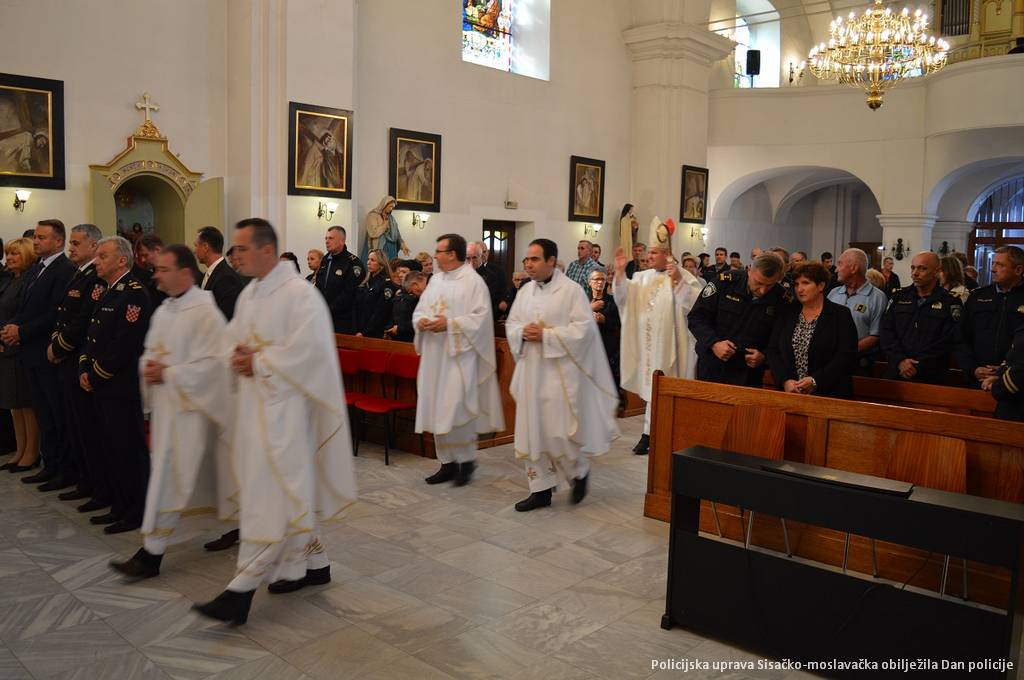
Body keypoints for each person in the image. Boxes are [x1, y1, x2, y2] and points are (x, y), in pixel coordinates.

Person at [193, 218, 357, 625]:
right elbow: (233, 340)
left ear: (266, 250)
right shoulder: (251, 294)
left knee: (275, 498)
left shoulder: (301, 296)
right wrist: (232, 355)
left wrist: (260, 362)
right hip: (256, 410)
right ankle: (314, 563)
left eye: (242, 249)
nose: (235, 256)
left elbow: (311, 354)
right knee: (280, 494)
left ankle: (240, 590)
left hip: (289, 415)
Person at [109, 245, 237, 579]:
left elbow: (216, 366)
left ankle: (150, 555)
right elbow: (150, 352)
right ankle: (237, 522)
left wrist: (170, 374)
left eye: (164, 269)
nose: (156, 275)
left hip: (195, 414)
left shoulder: (205, 313)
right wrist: (148, 368)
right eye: (157, 269)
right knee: (203, 479)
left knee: (173, 480)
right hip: (169, 411)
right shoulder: (165, 310)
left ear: (185, 273)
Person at [505, 239, 618, 511]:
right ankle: (540, 490)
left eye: (534, 259)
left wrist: (546, 335)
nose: (528, 264)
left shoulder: (571, 291)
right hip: (531, 370)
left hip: (560, 375)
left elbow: (584, 330)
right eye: (527, 259)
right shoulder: (525, 292)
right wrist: (521, 332)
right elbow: (512, 323)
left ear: (551, 261)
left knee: (558, 431)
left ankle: (578, 471)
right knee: (532, 430)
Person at [414, 234, 504, 486]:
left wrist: (450, 324)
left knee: (456, 409)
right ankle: (447, 463)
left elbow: (481, 319)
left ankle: (465, 461)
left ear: (452, 254)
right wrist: (420, 321)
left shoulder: (473, 282)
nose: (435, 256)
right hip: (435, 356)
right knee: (438, 407)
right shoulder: (435, 281)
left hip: (460, 357)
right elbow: (421, 309)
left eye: (439, 252)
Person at [79, 236, 154, 534]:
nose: (96, 261)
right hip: (101, 384)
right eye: (97, 256)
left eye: (103, 256)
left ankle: (136, 511)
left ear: (122, 260)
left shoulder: (134, 293)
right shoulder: (108, 290)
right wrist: (84, 367)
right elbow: (92, 335)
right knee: (110, 446)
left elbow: (125, 344)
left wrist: (96, 374)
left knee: (127, 450)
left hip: (119, 386)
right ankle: (119, 505)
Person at [613, 217, 703, 455]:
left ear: (667, 254)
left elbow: (696, 307)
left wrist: (678, 282)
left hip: (674, 345)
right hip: (650, 345)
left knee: (667, 389)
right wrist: (620, 274)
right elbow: (623, 300)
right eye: (649, 252)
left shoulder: (683, 276)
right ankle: (649, 433)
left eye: (653, 252)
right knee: (653, 387)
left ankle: (658, 434)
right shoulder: (642, 278)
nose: (649, 257)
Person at [1, 220, 76, 488]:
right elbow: (24, 307)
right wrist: (13, 327)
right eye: (35, 237)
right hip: (29, 351)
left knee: (55, 414)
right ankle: (49, 464)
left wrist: (21, 331)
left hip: (46, 351)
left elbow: (54, 312)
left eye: (42, 237)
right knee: (43, 413)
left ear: (58, 242)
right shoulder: (36, 269)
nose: (35, 241)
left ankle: (63, 470)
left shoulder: (64, 269)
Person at [48, 224, 105, 504]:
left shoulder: (95, 277)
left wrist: (59, 347)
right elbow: (62, 315)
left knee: (85, 427)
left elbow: (83, 320)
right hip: (66, 358)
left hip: (77, 358)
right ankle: (82, 478)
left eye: (75, 243)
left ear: (93, 245)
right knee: (72, 423)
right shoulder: (79, 273)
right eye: (70, 243)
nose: (71, 248)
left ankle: (92, 482)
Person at [689, 253, 791, 388]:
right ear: (749, 270)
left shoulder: (781, 298)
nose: (763, 291)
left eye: (770, 285)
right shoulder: (725, 282)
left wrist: (764, 356)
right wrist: (714, 343)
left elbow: (781, 338)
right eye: (759, 283)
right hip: (713, 365)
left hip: (748, 374)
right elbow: (697, 317)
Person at [768, 261, 859, 398]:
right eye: (796, 284)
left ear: (821, 285)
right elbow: (773, 350)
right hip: (791, 392)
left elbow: (847, 355)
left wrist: (816, 381)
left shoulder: (840, 314)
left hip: (830, 392)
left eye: (805, 283)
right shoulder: (787, 312)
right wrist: (785, 380)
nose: (799, 289)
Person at [879, 251, 963, 384]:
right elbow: (886, 331)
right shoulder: (899, 297)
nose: (915, 273)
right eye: (913, 268)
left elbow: (948, 338)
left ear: (937, 271)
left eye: (922, 268)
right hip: (897, 370)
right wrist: (900, 360)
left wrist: (918, 364)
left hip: (932, 374)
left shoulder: (950, 301)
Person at [955, 246, 1024, 389]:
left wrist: (1006, 370)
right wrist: (973, 368)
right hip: (976, 378)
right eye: (993, 263)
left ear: (1018, 270)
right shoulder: (977, 296)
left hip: (1014, 382)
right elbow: (960, 337)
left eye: (1000, 265)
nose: (993, 269)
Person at [0, 238, 39, 473]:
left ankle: (31, 452)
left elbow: (25, 313)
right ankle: (20, 450)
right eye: (8, 254)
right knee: (14, 404)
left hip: (20, 346)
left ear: (27, 255)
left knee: (26, 403)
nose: (10, 258)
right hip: (7, 346)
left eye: (15, 254)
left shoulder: (27, 281)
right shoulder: (11, 280)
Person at [827, 248, 888, 376]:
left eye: (840, 264)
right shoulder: (833, 293)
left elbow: (875, 335)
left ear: (854, 268)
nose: (836, 269)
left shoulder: (877, 297)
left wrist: (845, 352)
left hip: (858, 363)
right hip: (828, 361)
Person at [313, 226, 364, 333]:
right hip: (323, 317)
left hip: (343, 320)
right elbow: (319, 285)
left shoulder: (352, 263)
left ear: (342, 240)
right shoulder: (325, 260)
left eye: (331, 238)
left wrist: (329, 309)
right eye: (326, 238)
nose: (327, 241)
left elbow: (350, 293)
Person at [195, 226, 245, 320]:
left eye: (196, 245)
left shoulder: (226, 278)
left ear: (205, 247)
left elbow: (224, 317)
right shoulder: (209, 274)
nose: (195, 251)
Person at [587, 269, 621, 399]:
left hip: (606, 348)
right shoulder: (583, 300)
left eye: (602, 279)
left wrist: (604, 320)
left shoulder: (612, 301)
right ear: (590, 282)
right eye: (596, 279)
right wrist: (589, 309)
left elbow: (618, 323)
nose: (600, 282)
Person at [353, 249, 398, 338]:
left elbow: (380, 312)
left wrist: (365, 333)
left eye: (372, 260)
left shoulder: (386, 284)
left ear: (381, 264)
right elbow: (356, 307)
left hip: (374, 333)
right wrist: (355, 329)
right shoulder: (365, 283)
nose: (368, 262)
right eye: (368, 259)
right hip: (358, 331)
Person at [983, 325, 1024, 421]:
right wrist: (999, 375)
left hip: (1017, 407)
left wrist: (997, 386)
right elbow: (1012, 358)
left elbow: (1020, 371)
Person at [362, 196, 409, 262]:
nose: (391, 209)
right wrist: (384, 225)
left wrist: (403, 245)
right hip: (379, 247)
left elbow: (397, 233)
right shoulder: (373, 215)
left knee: (391, 265)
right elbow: (372, 233)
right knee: (380, 264)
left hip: (392, 248)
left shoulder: (391, 218)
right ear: (384, 205)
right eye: (390, 206)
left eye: (393, 207)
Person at [467, 241, 506, 318]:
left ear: (480, 257)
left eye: (474, 258)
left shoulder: (491, 276)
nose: (471, 262)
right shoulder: (463, 274)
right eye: (468, 258)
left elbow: (490, 299)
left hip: (484, 315)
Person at [385, 271, 426, 342]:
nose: (425, 287)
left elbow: (421, 321)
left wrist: (397, 328)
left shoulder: (422, 299)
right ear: (415, 285)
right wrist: (390, 329)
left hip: (411, 339)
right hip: (404, 339)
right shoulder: (401, 297)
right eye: (424, 284)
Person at [134, 234, 167, 306]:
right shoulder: (152, 279)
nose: (143, 260)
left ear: (157, 250)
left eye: (145, 255)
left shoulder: (175, 273)